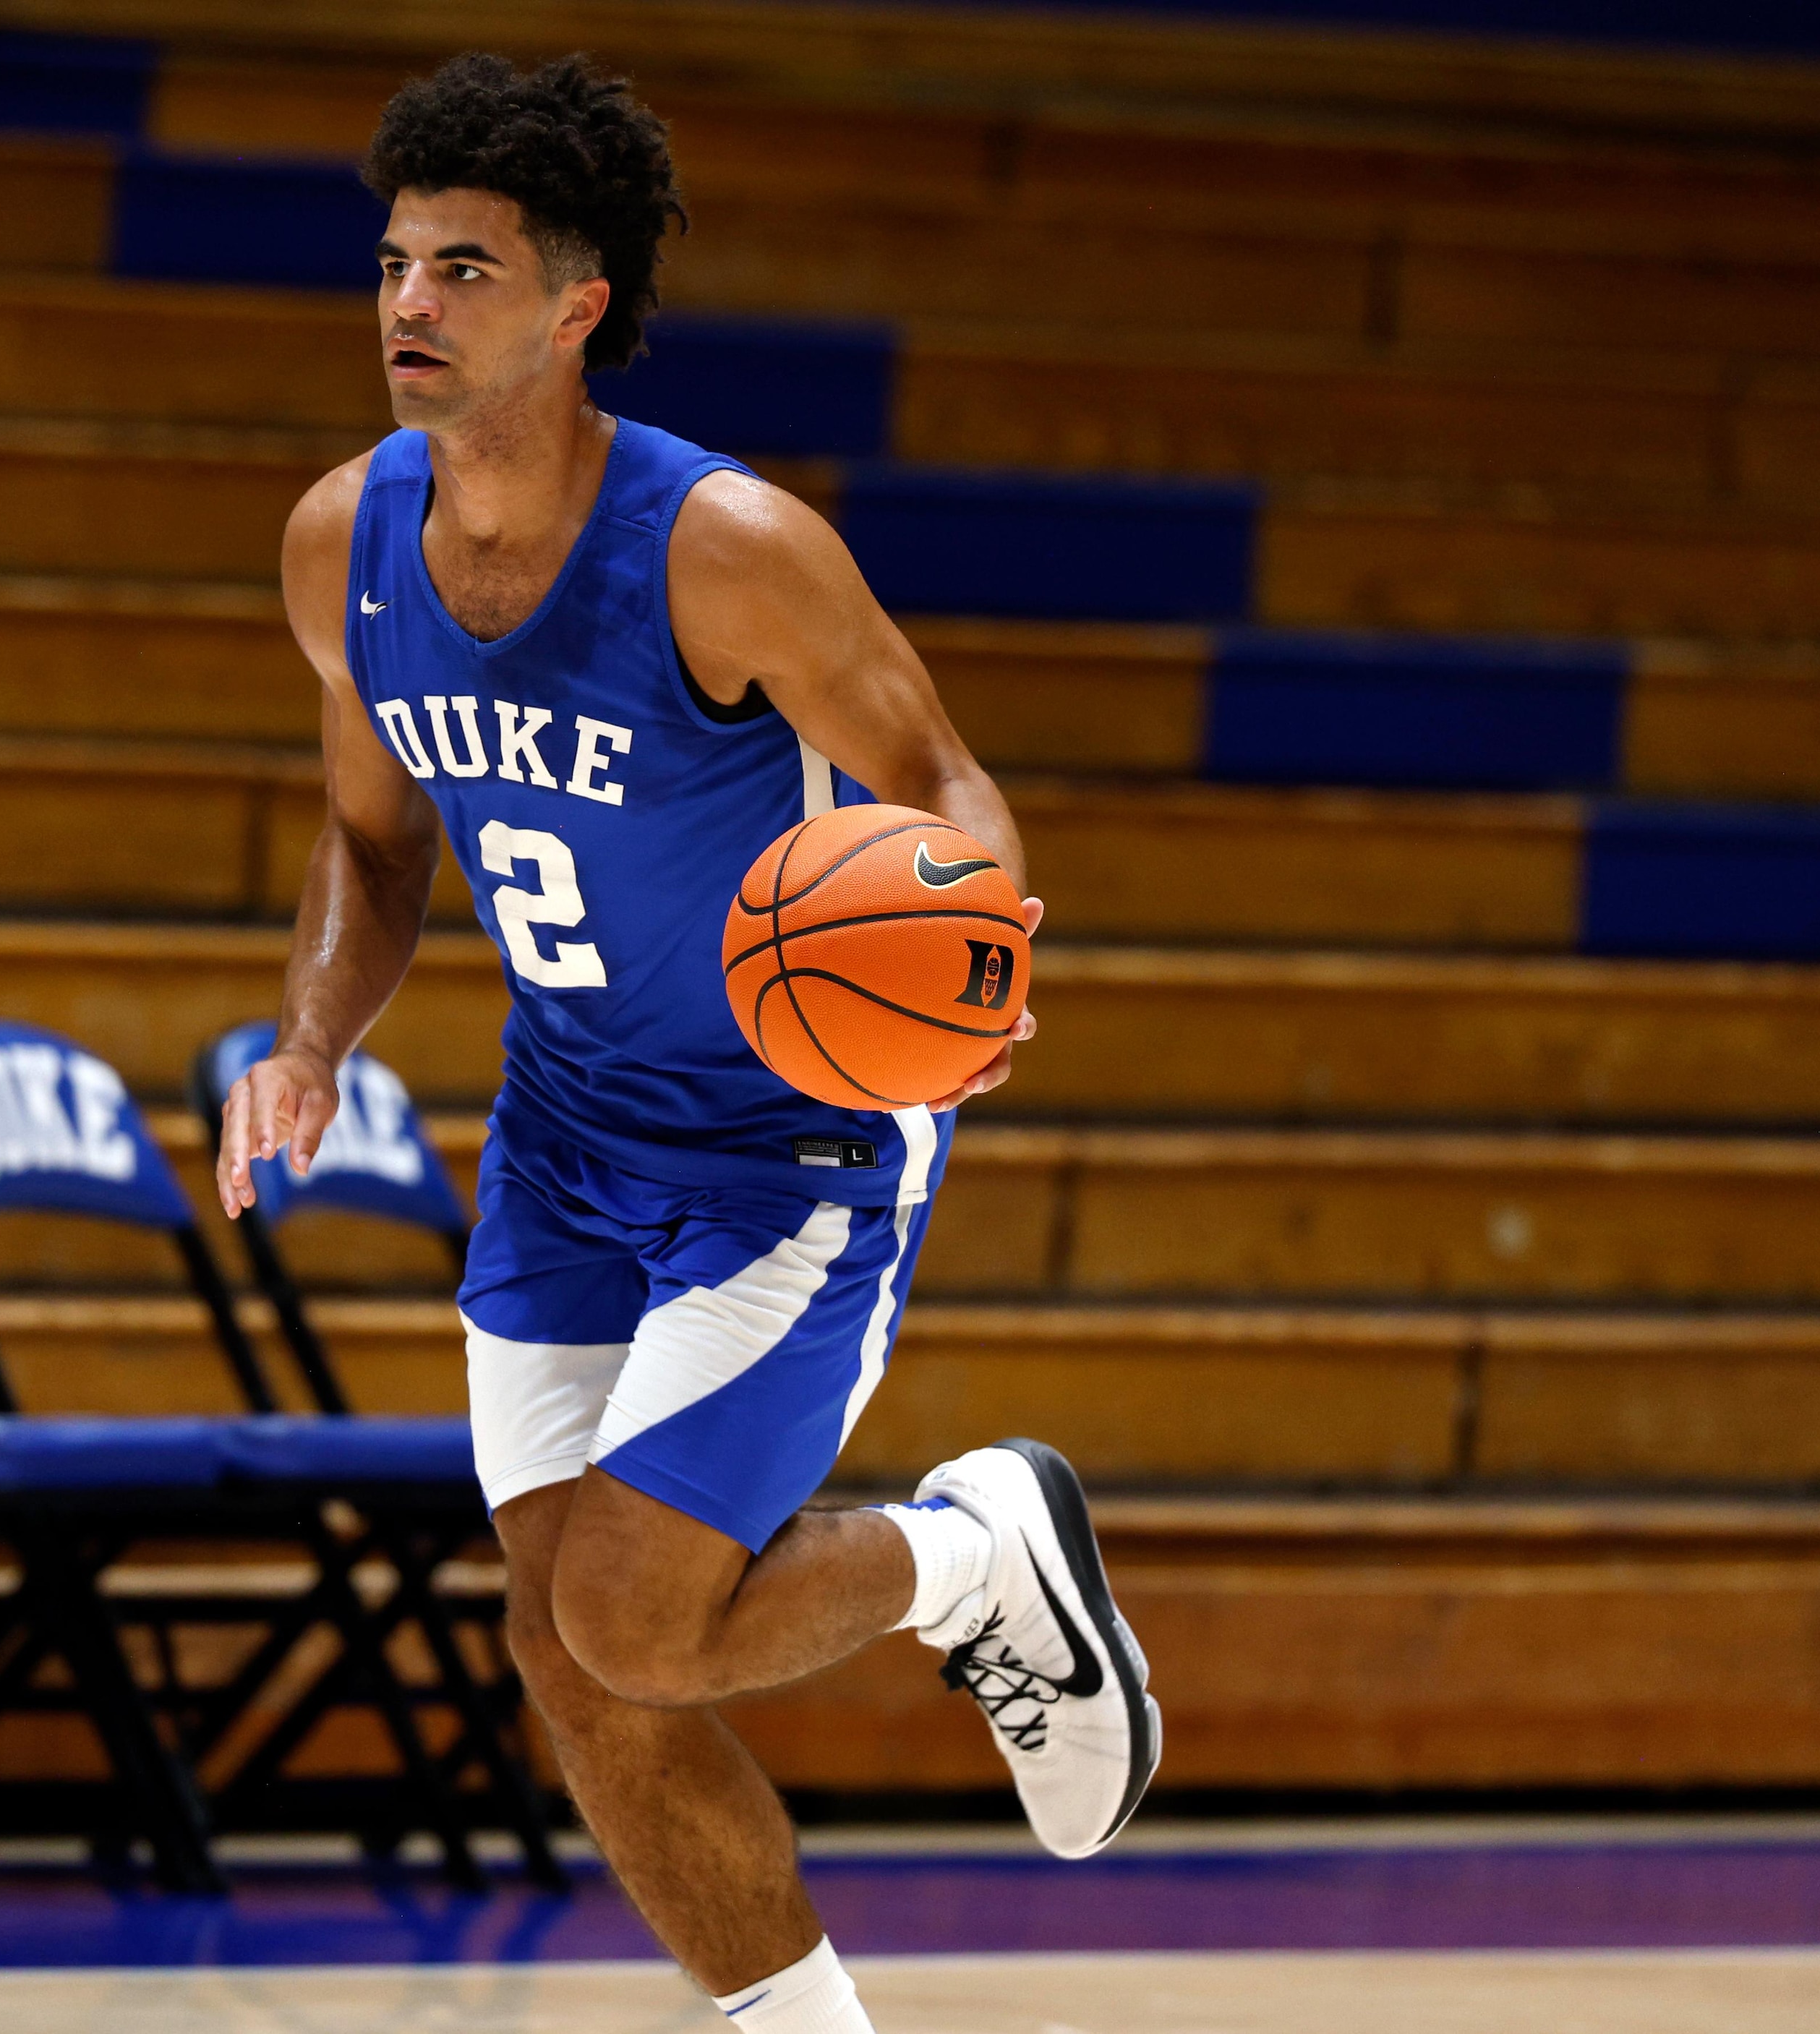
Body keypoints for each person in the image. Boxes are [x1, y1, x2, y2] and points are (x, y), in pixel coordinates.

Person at [213, 56, 1155, 2034]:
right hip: (564, 1140)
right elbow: (375, 847)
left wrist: (976, 974)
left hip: (789, 1145)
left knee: (635, 1616)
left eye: (465, 269)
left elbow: (949, 783)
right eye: (395, 262)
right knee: (576, 1667)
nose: (408, 304)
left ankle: (974, 1554)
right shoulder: (341, 546)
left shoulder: (728, 547)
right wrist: (308, 1037)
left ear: (576, 308)